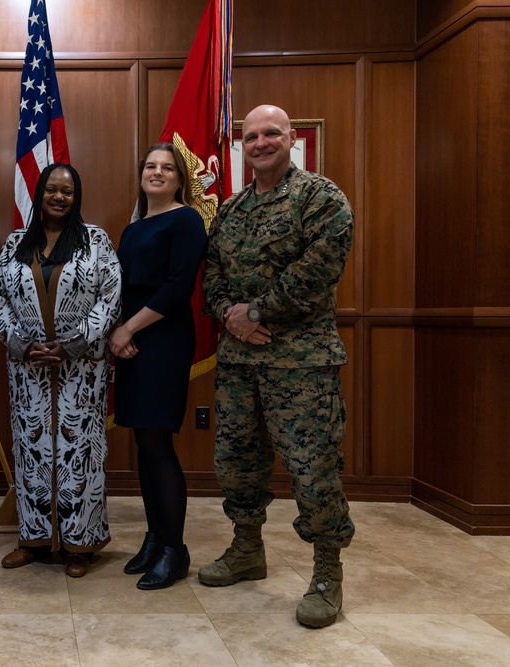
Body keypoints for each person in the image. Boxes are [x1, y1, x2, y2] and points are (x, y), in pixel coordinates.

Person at [200, 104, 355, 629]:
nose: (262, 141)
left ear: (291, 138)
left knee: (313, 472)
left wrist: (257, 311)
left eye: (272, 133)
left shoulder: (320, 197)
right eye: (252, 136)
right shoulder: (232, 209)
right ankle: (247, 550)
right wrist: (230, 314)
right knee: (236, 461)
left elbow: (320, 268)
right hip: (241, 362)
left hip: (302, 364)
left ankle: (327, 573)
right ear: (243, 145)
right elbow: (212, 272)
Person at [0, 164, 121, 578]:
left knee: (78, 454)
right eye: (51, 189)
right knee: (31, 452)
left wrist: (73, 343)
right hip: (27, 369)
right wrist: (21, 343)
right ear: (40, 194)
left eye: (66, 191)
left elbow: (111, 296)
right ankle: (34, 539)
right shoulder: (14, 244)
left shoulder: (95, 240)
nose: (58, 197)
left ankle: (80, 544)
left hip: (80, 370)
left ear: (75, 196)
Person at [108, 142, 208, 590]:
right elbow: (122, 287)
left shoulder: (186, 219)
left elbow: (177, 287)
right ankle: (154, 537)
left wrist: (130, 329)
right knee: (143, 443)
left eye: (167, 167)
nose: (157, 172)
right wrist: (122, 331)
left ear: (179, 178)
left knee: (158, 443)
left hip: (163, 338)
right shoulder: (133, 228)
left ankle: (175, 550)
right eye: (150, 165)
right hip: (131, 339)